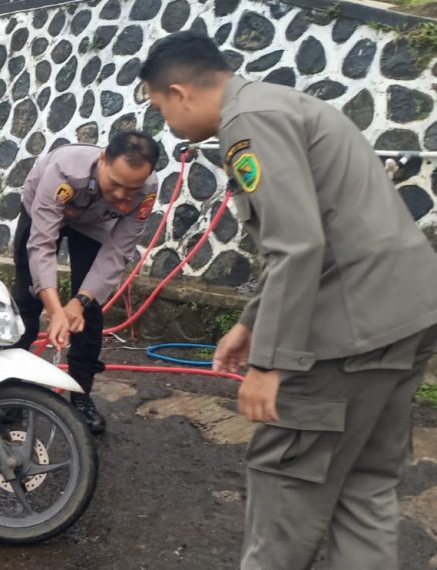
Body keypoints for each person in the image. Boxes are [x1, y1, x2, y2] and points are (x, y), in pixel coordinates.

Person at [140, 31, 437, 570]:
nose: (168, 123)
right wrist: (252, 322)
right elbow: (319, 234)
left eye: (161, 108)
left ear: (180, 93)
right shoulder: (281, 103)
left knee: (287, 482)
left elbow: (297, 245)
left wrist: (270, 364)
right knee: (363, 487)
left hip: (351, 331)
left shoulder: (246, 125)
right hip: (407, 318)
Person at [10, 132, 159, 434]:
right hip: (42, 210)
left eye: (131, 189)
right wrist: (54, 310)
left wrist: (79, 302)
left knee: (89, 312)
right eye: (115, 183)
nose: (121, 196)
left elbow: (118, 251)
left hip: (94, 224)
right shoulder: (63, 169)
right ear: (102, 159)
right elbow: (42, 244)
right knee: (27, 300)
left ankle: (80, 393)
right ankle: (10, 386)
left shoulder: (147, 190)